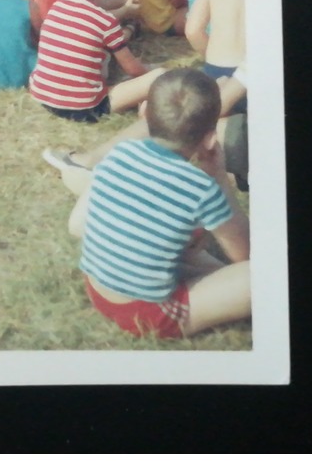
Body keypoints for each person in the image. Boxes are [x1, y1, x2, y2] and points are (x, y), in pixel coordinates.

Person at [69, 69, 251, 340]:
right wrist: (221, 179)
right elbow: (244, 255)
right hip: (147, 314)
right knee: (264, 276)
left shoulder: (120, 152)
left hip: (97, 288)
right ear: (210, 138)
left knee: (178, 233)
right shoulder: (200, 188)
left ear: (144, 113)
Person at [27, 0, 165, 121]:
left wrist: (123, 4)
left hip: (43, 96)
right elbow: (133, 69)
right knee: (159, 76)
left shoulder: (56, 8)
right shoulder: (104, 21)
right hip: (86, 107)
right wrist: (147, 75)